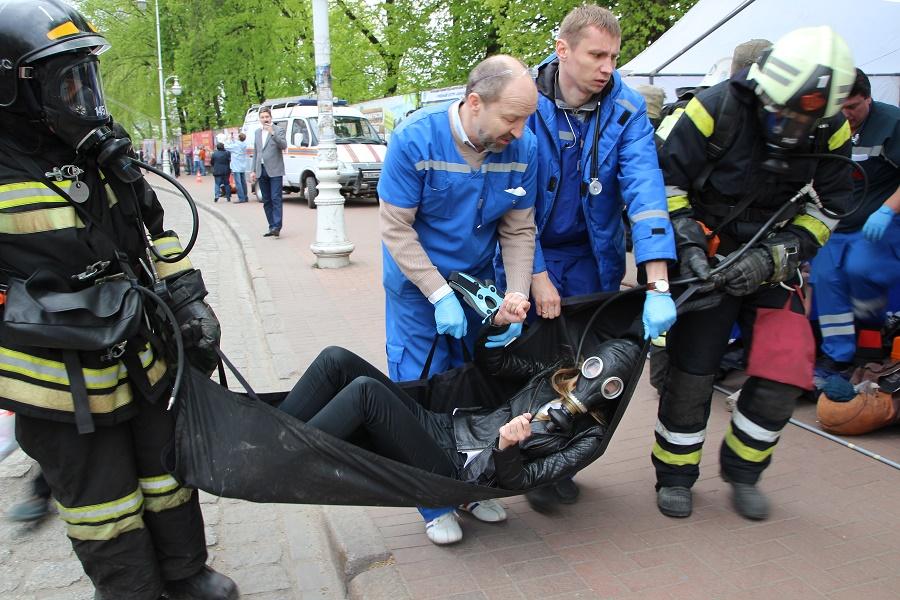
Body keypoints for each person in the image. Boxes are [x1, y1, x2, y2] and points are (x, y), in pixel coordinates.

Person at [0, 2, 237, 598]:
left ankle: (186, 573)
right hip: (55, 373)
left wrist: (188, 299)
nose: (82, 95)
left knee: (166, 470)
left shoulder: (96, 147)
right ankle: (132, 591)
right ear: (11, 85)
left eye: (86, 76)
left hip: (138, 347)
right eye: (66, 80)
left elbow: (154, 230)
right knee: (102, 501)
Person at [652, 26, 855, 521]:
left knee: (784, 372)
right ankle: (675, 475)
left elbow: (830, 208)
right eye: (783, 111)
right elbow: (664, 183)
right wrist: (689, 243)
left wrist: (777, 256)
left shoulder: (831, 127)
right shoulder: (712, 109)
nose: (790, 126)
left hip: (775, 262)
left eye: (803, 118)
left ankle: (744, 471)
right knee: (692, 374)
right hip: (708, 258)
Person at [518, 5, 677, 512]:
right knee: (532, 360)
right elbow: (513, 201)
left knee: (582, 362)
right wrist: (536, 274)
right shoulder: (524, 101)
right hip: (530, 249)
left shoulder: (626, 109)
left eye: (614, 56)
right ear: (562, 50)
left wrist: (658, 285)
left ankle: (561, 459)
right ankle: (527, 458)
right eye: (596, 55)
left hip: (592, 255)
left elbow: (645, 192)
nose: (608, 67)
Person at [378, 55, 538, 544]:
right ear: (474, 103)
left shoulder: (523, 147)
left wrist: (516, 295)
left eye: (526, 119)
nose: (520, 131)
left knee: (474, 390)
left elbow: (518, 228)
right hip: (417, 291)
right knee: (423, 393)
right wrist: (437, 293)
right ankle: (433, 500)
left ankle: (471, 485)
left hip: (475, 290)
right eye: (511, 118)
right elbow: (395, 228)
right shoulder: (415, 139)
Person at [276, 322, 641, 493]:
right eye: (593, 368)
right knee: (336, 359)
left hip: (459, 468)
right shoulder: (554, 375)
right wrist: (498, 325)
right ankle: (272, 430)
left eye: (608, 384)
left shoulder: (589, 438)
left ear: (614, 393)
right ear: (587, 362)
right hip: (442, 427)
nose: (591, 382)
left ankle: (285, 458)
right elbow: (493, 364)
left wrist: (507, 448)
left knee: (365, 393)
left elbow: (521, 481)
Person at [811, 68, 900, 386]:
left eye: (853, 107)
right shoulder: (824, 123)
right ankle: (837, 357)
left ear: (868, 99)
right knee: (825, 277)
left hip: (878, 221)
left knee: (862, 269)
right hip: (835, 220)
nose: (846, 114)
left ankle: (871, 336)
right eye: (841, 107)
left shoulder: (891, 123)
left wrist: (886, 211)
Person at [250, 106, 287, 237]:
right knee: (266, 200)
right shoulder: (257, 132)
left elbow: (283, 145)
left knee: (276, 198)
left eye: (267, 117)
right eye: (262, 117)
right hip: (261, 169)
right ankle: (271, 226)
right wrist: (253, 170)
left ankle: (277, 226)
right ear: (259, 119)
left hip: (275, 170)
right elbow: (256, 152)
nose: (265, 119)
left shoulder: (278, 130)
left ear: (271, 118)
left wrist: (272, 133)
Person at [225, 132, 250, 203]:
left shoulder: (236, 146)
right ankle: (245, 197)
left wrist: (229, 139)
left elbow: (226, 146)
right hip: (242, 166)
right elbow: (236, 143)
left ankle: (241, 198)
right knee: (243, 182)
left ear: (239, 138)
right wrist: (233, 139)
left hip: (236, 166)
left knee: (238, 183)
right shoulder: (244, 144)